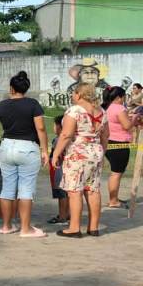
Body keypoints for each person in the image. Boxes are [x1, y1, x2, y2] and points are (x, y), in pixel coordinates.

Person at [0, 71, 49, 238]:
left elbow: (5, 123)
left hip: (6, 146)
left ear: (11, 88)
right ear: (26, 88)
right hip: (27, 147)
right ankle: (25, 228)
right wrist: (45, 150)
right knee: (25, 189)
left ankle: (6, 225)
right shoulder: (33, 104)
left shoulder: (2, 105)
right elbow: (40, 128)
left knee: (7, 189)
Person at [52, 83, 108, 238]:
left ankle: (74, 228)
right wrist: (102, 153)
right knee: (92, 189)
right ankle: (93, 227)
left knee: (74, 190)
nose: (72, 96)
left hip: (78, 152)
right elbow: (105, 136)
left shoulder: (74, 111)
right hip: (95, 151)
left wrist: (56, 153)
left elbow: (66, 135)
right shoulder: (102, 112)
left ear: (79, 94)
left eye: (73, 93)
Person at [102, 86, 136, 209]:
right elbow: (127, 125)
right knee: (116, 173)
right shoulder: (119, 108)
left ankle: (113, 198)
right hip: (119, 144)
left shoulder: (107, 107)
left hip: (109, 142)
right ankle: (113, 200)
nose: (124, 99)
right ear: (118, 97)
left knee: (114, 172)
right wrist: (135, 119)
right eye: (124, 96)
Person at [47, 115, 70, 226]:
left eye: (55, 125)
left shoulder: (58, 140)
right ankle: (67, 213)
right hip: (68, 169)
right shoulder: (70, 138)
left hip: (59, 169)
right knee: (68, 193)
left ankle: (62, 216)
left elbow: (59, 154)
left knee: (61, 194)